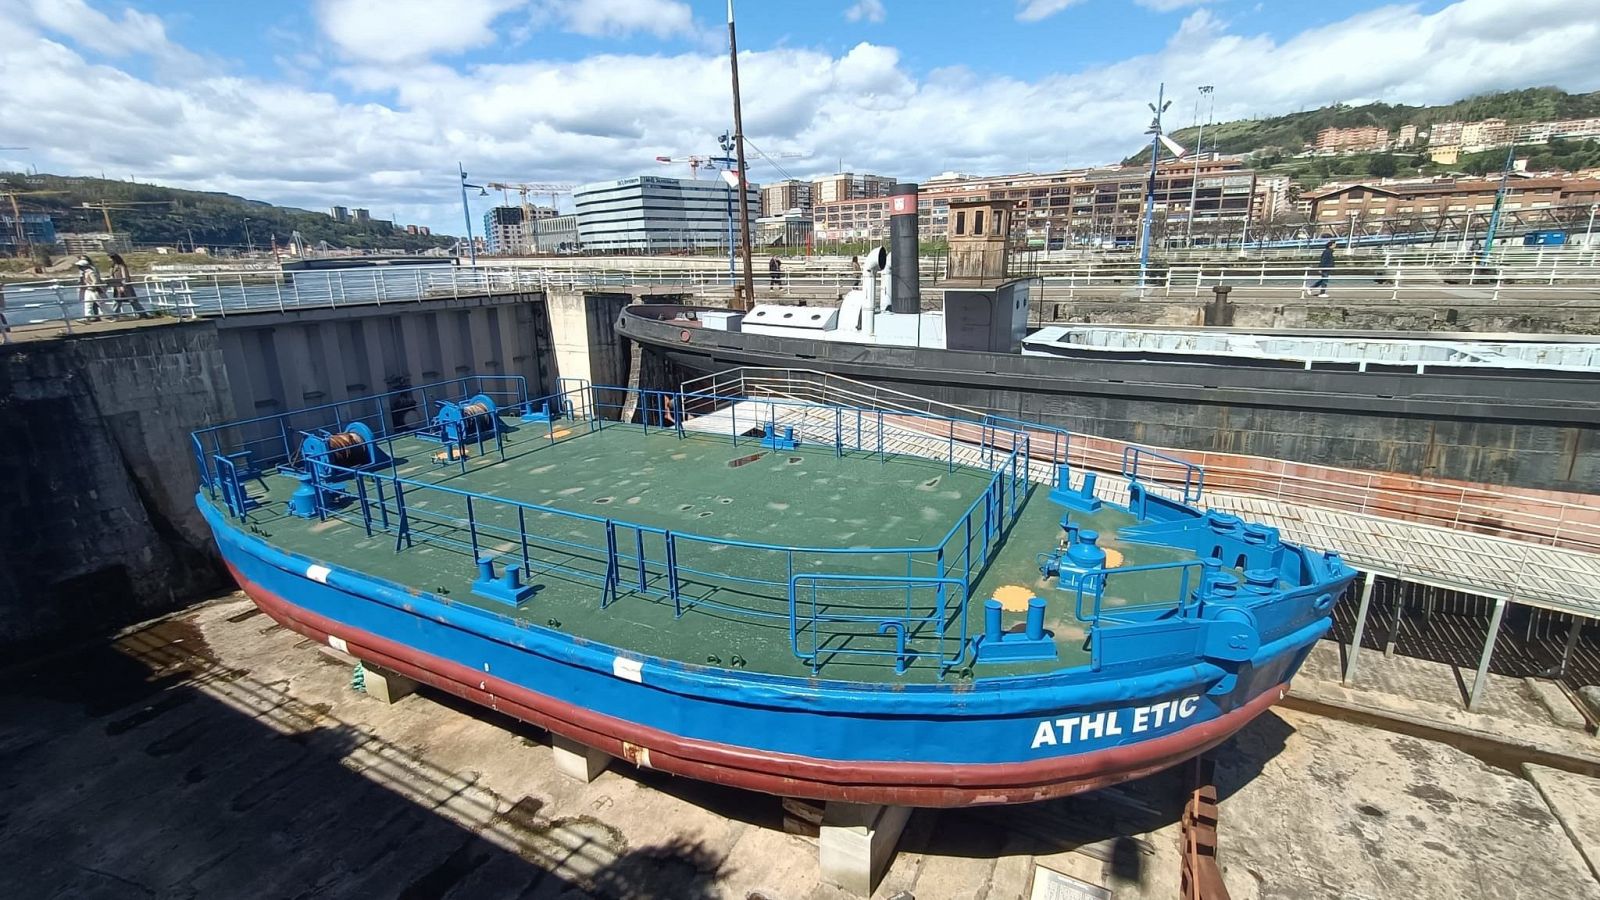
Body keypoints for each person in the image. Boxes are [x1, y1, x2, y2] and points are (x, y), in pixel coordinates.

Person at [106, 252, 150, 318]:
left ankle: (143, 314)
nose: (109, 260)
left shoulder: (121, 266)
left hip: (125, 286)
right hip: (117, 286)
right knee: (118, 301)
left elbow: (125, 277)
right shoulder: (112, 267)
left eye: (110, 258)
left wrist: (123, 285)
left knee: (131, 300)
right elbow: (112, 276)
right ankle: (114, 315)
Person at [76, 256, 107, 321]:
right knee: (87, 304)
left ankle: (111, 314)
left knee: (101, 303)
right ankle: (87, 317)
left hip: (93, 290)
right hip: (88, 289)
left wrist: (93, 287)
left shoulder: (91, 271)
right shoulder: (84, 272)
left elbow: (95, 281)